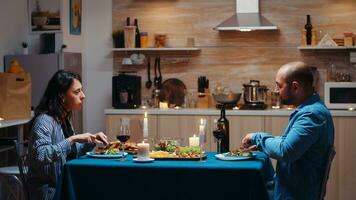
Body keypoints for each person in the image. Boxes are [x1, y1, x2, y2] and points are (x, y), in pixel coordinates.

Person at [242, 61, 334, 200]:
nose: (276, 90)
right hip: (291, 190)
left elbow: (286, 150)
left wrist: (257, 137)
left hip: (295, 195)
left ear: (295, 87)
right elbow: (290, 143)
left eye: (279, 86)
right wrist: (262, 142)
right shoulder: (311, 109)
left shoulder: (311, 115)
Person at [27, 70, 108, 200]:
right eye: (77, 92)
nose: (83, 95)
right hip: (50, 192)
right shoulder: (44, 121)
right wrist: (71, 139)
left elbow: (70, 153)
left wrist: (91, 140)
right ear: (62, 95)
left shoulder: (63, 118)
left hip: (64, 185)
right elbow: (40, 155)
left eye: (81, 90)